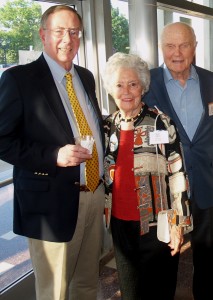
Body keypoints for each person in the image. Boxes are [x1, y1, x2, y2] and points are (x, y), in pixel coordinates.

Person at [0, 5, 105, 300]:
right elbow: (2, 138)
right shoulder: (20, 79)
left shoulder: (85, 77)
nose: (67, 39)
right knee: (54, 292)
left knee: (86, 284)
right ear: (43, 35)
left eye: (74, 32)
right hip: (51, 203)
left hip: (93, 194)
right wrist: (52, 156)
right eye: (59, 31)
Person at [101, 52, 191, 300]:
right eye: (119, 85)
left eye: (133, 84)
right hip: (120, 225)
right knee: (130, 292)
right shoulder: (108, 126)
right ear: (111, 89)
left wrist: (178, 224)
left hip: (157, 225)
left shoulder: (160, 122)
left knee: (159, 291)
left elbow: (177, 174)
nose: (126, 91)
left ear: (142, 87)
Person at [144, 22, 213, 300]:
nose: (177, 52)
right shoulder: (146, 83)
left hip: (207, 186)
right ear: (162, 48)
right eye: (170, 45)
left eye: (184, 45)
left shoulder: (211, 81)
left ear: (194, 47)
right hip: (165, 191)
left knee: (208, 261)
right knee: (163, 263)